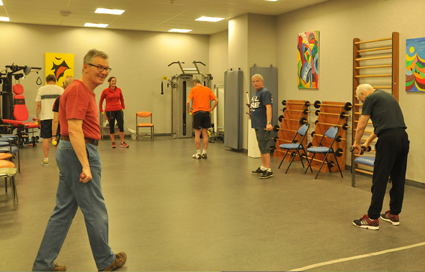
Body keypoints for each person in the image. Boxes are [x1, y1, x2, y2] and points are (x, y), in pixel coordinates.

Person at [32, 49, 127, 271]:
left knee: (63, 211)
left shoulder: (84, 91)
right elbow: (75, 129)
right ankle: (106, 260)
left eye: (106, 68)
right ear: (85, 67)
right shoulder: (77, 90)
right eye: (99, 67)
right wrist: (86, 164)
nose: (103, 72)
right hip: (79, 152)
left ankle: (43, 265)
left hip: (71, 151)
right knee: (95, 208)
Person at [352, 83, 409, 230]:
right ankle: (394, 214)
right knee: (398, 177)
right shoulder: (387, 96)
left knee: (380, 178)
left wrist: (357, 143)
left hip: (388, 140)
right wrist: (366, 143)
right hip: (402, 138)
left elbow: (361, 125)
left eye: (361, 101)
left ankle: (372, 218)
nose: (363, 103)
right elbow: (381, 127)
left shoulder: (370, 98)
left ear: (363, 95)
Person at [186, 78, 218, 159]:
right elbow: (216, 100)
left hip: (197, 113)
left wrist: (188, 110)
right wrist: (211, 109)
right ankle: (204, 153)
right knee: (205, 134)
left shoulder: (193, 89)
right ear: (200, 82)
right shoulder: (207, 89)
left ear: (194, 83)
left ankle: (198, 153)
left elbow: (188, 102)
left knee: (197, 134)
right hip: (206, 113)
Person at [36, 74, 64, 166]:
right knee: (59, 138)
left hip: (45, 117)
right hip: (58, 117)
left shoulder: (41, 89)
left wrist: (37, 117)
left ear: (46, 81)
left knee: (46, 138)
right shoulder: (61, 90)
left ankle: (46, 159)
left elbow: (39, 105)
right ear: (55, 80)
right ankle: (60, 159)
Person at [250, 74, 273, 179]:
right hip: (257, 123)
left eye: (257, 81)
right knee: (261, 145)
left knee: (265, 146)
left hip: (263, 124)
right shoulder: (256, 93)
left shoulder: (265, 92)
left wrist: (268, 122)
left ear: (262, 81)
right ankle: (263, 166)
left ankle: (268, 169)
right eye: (254, 81)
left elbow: (268, 107)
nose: (255, 83)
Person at [99, 77, 128, 148]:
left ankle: (122, 142)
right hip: (110, 111)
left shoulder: (119, 90)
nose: (114, 82)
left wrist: (123, 107)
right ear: (109, 82)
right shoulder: (105, 91)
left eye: (115, 81)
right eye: (112, 81)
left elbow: (122, 98)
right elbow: (101, 100)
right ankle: (113, 142)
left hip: (118, 110)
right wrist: (101, 109)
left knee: (121, 126)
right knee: (111, 126)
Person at [51, 76, 75, 146]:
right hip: (79, 135)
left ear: (63, 86)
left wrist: (54, 136)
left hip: (64, 135)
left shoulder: (59, 100)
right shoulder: (81, 99)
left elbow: (55, 120)